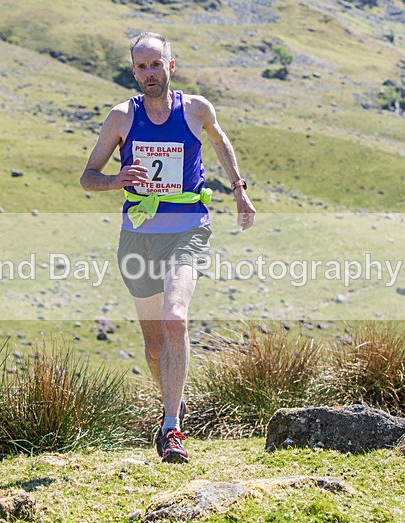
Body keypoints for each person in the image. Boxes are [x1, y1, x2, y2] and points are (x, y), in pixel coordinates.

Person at [80, 31, 256, 463]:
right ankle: (170, 408)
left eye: (156, 64)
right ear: (133, 71)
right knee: (156, 347)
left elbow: (219, 139)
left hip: (187, 230)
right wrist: (115, 180)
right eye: (141, 66)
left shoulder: (196, 109)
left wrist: (239, 189)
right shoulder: (121, 117)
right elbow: (88, 177)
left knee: (176, 319)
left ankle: (171, 427)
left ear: (170, 66)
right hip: (138, 236)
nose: (149, 73)